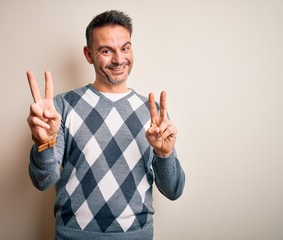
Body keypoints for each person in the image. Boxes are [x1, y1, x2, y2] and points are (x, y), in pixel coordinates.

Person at [26, 10, 185, 240]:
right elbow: (43, 181)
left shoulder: (153, 113)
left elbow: (173, 190)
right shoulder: (61, 107)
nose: (119, 59)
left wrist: (164, 153)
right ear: (88, 54)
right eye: (106, 50)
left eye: (125, 48)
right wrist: (44, 142)